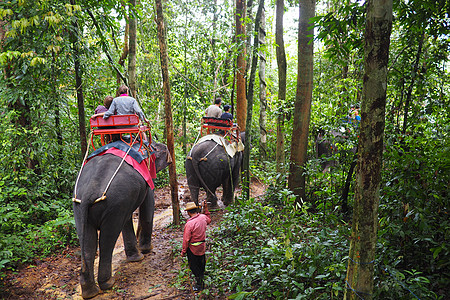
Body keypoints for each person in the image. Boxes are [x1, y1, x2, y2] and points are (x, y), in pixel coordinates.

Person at [181, 201, 211, 291]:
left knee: (194, 266)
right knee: (201, 263)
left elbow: (186, 239)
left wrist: (183, 251)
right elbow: (209, 220)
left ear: (188, 212)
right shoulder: (203, 217)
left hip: (192, 248)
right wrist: (206, 209)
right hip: (202, 245)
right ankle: (201, 280)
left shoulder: (189, 224)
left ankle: (199, 285)